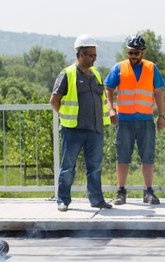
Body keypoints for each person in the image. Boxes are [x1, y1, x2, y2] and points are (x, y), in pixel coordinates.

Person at [50, 33, 112, 212]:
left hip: (95, 130)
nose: (94, 59)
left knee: (95, 167)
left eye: (95, 55)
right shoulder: (67, 74)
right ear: (82, 54)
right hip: (73, 130)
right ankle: (63, 200)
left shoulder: (96, 75)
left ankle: (97, 200)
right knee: (68, 167)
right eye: (92, 55)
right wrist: (65, 116)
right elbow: (54, 100)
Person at [104, 34, 165, 205]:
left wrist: (161, 116)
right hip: (123, 120)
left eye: (136, 53)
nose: (132, 56)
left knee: (148, 157)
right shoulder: (119, 67)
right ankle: (121, 192)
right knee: (122, 157)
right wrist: (111, 109)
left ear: (143, 52)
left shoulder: (152, 68)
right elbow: (108, 88)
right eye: (130, 52)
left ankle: (148, 192)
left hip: (146, 120)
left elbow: (159, 93)